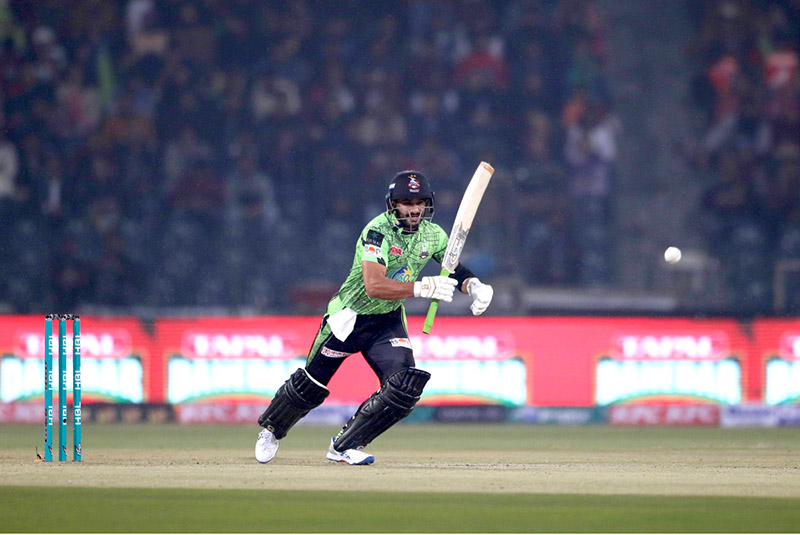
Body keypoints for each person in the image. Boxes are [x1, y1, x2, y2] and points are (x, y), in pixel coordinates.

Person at [254, 170, 494, 465]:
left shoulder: (434, 236)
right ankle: (272, 430)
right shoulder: (377, 232)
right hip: (349, 317)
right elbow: (374, 285)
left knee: (405, 385)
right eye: (406, 202)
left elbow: (454, 267)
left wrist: (474, 287)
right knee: (311, 387)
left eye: (420, 202)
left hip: (386, 321)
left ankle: (344, 446)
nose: (414, 208)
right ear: (393, 205)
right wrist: (422, 287)